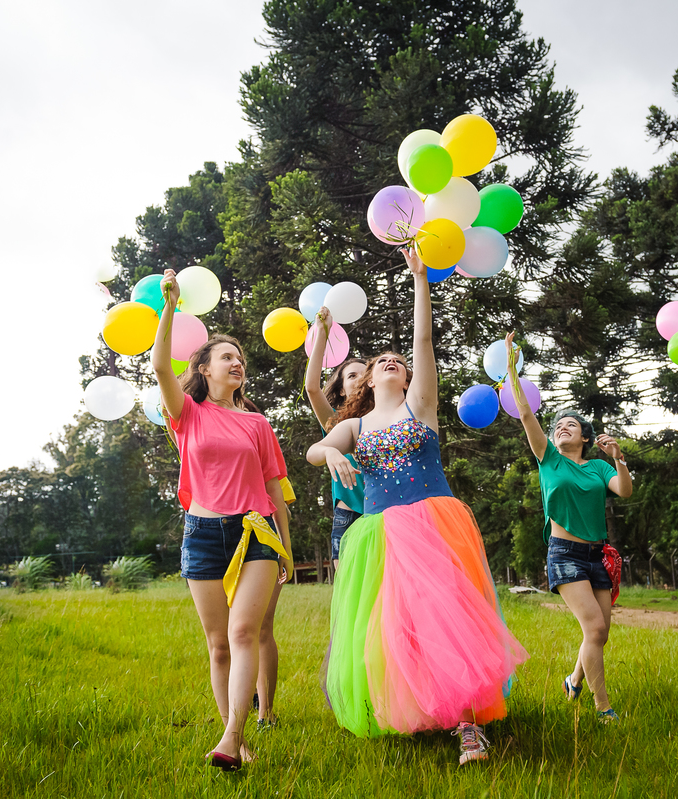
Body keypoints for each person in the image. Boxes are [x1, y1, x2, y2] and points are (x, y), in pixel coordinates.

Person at [307, 250, 527, 766]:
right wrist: (333, 450)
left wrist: (421, 280)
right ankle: (423, 708)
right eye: (381, 360)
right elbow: (315, 450)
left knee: (450, 619)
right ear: (364, 382)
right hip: (381, 534)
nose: (391, 361)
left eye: (397, 362)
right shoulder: (356, 427)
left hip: (434, 523)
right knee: (399, 624)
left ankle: (470, 727)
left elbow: (422, 341)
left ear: (405, 379)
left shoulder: (418, 406)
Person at [153, 269, 292, 770]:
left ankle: (233, 735)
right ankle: (238, 741)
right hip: (203, 534)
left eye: (240, 358)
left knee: (243, 633)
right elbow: (160, 369)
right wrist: (170, 305)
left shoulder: (257, 423)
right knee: (217, 646)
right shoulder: (186, 414)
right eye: (227, 356)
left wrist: (286, 549)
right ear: (206, 369)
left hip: (256, 531)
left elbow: (275, 490)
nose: (237, 363)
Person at [503, 332, 632, 724]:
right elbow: (527, 415)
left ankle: (573, 680)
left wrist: (619, 457)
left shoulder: (597, 467)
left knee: (600, 634)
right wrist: (511, 367)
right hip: (564, 554)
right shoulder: (548, 460)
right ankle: (602, 707)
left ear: (586, 437)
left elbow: (624, 491)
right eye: (558, 425)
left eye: (571, 425)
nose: (562, 428)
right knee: (593, 627)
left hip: (598, 555)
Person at [304, 307, 366, 569]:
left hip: (389, 512)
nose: (360, 378)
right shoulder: (336, 424)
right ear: (341, 390)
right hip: (349, 514)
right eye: (352, 375)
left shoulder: (391, 420)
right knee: (350, 595)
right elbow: (312, 388)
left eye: (366, 374)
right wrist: (322, 333)